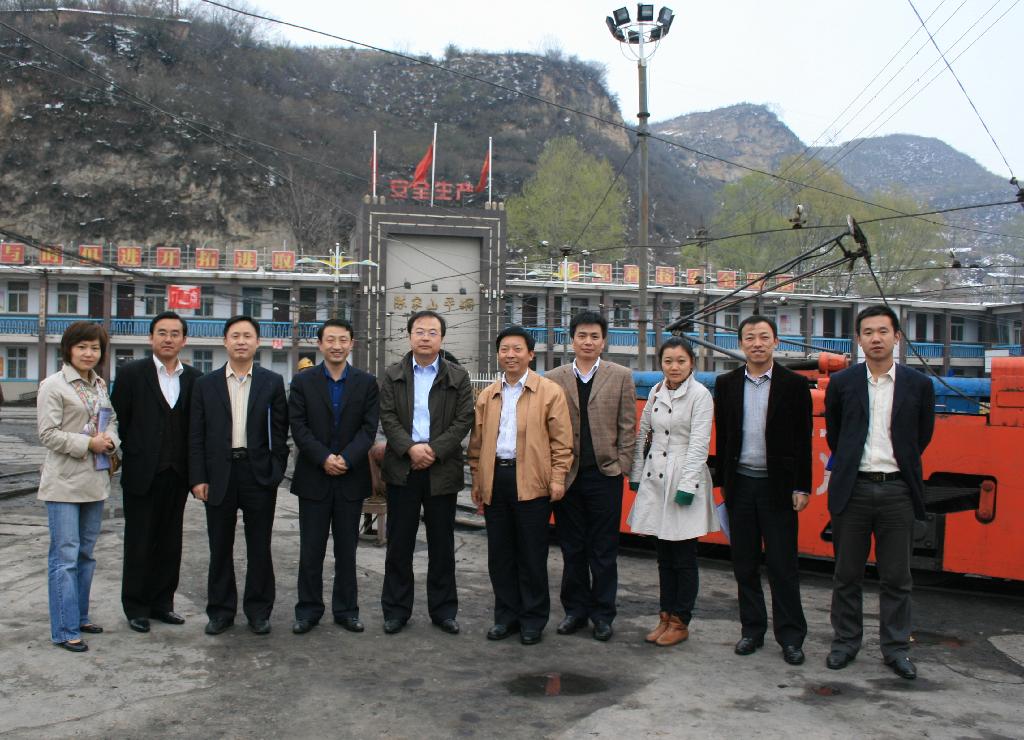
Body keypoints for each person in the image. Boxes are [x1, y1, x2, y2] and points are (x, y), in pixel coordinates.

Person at [824, 305, 935, 680]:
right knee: (846, 575)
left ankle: (896, 648)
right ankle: (845, 643)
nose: (876, 338)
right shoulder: (843, 383)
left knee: (897, 577)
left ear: (896, 337)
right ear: (858, 339)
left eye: (883, 331)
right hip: (853, 488)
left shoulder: (918, 385)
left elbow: (921, 436)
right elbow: (837, 435)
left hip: (897, 490)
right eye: (868, 332)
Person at [713, 315, 812, 665]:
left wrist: (802, 485)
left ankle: (791, 637)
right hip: (741, 486)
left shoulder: (794, 385)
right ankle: (752, 631)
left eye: (764, 337)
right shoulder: (726, 384)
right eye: (750, 337)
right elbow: (724, 436)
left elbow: (803, 440)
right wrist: (723, 483)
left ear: (776, 342)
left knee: (783, 565)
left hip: (778, 488)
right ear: (741, 344)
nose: (757, 343)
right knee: (744, 564)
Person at [468, 326, 573, 645]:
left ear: (530, 354)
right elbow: (476, 444)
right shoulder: (488, 395)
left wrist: (558, 478)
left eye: (517, 349)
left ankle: (532, 620)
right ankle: (506, 617)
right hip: (496, 479)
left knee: (531, 554)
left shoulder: (549, 392)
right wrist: (477, 480)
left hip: (532, 481)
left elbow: (562, 442)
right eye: (505, 349)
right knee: (500, 555)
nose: (510, 355)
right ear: (498, 355)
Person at [189, 316, 289, 636]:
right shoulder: (205, 384)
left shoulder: (271, 382)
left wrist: (275, 472)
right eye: (235, 336)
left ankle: (258, 611)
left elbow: (281, 434)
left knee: (260, 546)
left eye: (248, 336)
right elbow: (196, 435)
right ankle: (221, 611)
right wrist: (198, 478)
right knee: (220, 546)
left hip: (257, 474)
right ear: (225, 342)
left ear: (257, 342)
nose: (241, 341)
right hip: (219, 474)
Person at [378, 310, 474, 635]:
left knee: (442, 545)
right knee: (399, 543)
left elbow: (464, 420)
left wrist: (433, 450)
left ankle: (444, 611)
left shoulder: (458, 377)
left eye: (432, 332)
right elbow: (387, 416)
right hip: (402, 468)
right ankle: (396, 610)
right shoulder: (392, 375)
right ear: (409, 336)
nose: (425, 337)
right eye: (419, 331)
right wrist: (410, 448)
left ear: (441, 338)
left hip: (441, 469)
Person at [546, 310, 636, 641]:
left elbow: (628, 425)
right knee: (572, 548)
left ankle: (603, 614)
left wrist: (622, 465)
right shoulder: (553, 378)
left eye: (594, 336)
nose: (588, 342)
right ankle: (575, 611)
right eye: (582, 336)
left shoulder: (621, 375)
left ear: (603, 341)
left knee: (603, 549)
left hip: (604, 475)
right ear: (572, 340)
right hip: (567, 476)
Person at [111, 311, 202, 634]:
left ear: (184, 340)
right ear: (151, 337)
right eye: (162, 332)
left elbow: (196, 427)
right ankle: (136, 607)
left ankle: (163, 603)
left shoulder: (194, 379)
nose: (168, 339)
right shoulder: (131, 374)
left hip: (177, 473)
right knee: (139, 541)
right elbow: (119, 420)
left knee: (170, 541)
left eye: (175, 333)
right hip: (142, 473)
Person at [289, 319, 379, 635]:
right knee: (310, 550)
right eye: (330, 340)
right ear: (320, 344)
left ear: (351, 344)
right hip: (314, 477)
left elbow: (368, 429)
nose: (336, 346)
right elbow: (298, 427)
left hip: (350, 479)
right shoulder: (303, 382)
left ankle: (346, 610)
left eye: (343, 340)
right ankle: (308, 610)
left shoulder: (366, 383)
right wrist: (324, 458)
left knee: (347, 550)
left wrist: (346, 459)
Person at [627, 337, 718, 647]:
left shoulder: (700, 395)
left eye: (681, 361)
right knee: (663, 556)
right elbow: (643, 433)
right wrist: (637, 474)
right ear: (661, 364)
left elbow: (700, 444)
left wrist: (687, 486)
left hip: (682, 476)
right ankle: (665, 616)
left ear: (692, 363)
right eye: (668, 361)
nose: (674, 366)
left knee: (683, 556)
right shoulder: (656, 391)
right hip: (656, 478)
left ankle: (681, 620)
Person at [37, 321, 120, 652]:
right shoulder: (53, 385)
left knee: (86, 555)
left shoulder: (99, 384)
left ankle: (80, 616)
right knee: (65, 556)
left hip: (95, 481)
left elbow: (110, 420)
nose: (89, 353)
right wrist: (89, 444)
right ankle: (64, 628)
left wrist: (110, 441)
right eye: (82, 347)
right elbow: (47, 434)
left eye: (95, 348)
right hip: (64, 484)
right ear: (68, 349)